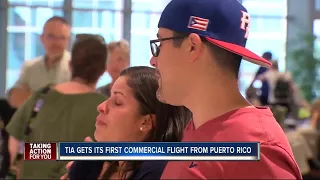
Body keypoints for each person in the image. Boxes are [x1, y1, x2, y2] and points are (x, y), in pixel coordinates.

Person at [149, 0, 302, 179]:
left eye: (160, 44)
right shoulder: (199, 126)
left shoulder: (256, 148)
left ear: (192, 47)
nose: (153, 60)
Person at [5, 34, 108, 179]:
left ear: (70, 65)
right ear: (104, 69)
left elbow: (13, 147)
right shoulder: (106, 108)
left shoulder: (41, 96)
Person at [61, 66, 192, 180]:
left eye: (117, 102)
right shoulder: (101, 164)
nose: (101, 106)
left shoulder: (158, 170)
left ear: (146, 122)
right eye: (109, 97)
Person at [9, 16, 71, 108]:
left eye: (62, 37)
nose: (56, 43)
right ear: (42, 38)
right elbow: (15, 99)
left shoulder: (77, 67)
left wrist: (32, 96)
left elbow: (76, 103)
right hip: (33, 122)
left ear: (68, 40)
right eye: (51, 36)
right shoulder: (29, 67)